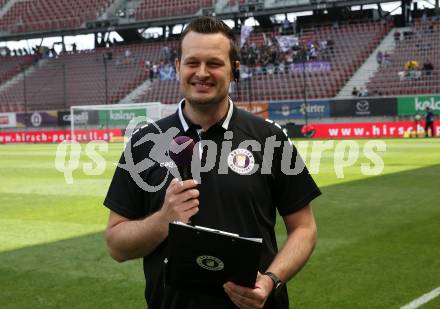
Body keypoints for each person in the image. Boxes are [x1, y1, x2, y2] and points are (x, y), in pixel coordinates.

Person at [104, 16, 321, 309]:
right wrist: (163, 220)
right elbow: (116, 245)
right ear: (178, 67)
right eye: (192, 62)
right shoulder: (145, 143)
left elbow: (304, 228)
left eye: (215, 63)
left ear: (234, 70)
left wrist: (270, 280)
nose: (202, 73)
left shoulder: (270, 137)